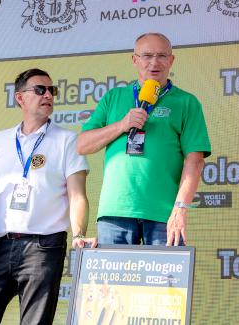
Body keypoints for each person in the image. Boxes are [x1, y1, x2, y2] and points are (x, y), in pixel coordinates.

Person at [0, 68, 96, 325]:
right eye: (40, 90)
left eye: (52, 90)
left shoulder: (68, 140)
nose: (48, 95)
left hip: (43, 247)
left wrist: (79, 234)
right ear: (20, 98)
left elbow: (77, 195)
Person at [77, 32, 211, 246]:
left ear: (171, 60)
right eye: (147, 55)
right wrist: (121, 125)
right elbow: (82, 145)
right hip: (115, 211)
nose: (154, 63)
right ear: (134, 59)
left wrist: (180, 209)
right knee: (112, 270)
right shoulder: (114, 97)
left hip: (164, 215)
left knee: (166, 270)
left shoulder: (186, 102)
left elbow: (195, 161)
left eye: (162, 56)